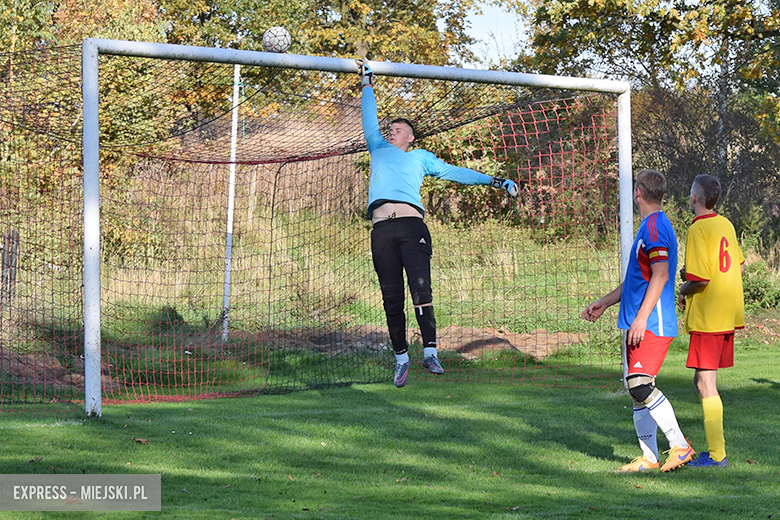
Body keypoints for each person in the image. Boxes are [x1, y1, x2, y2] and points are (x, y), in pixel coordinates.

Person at [357, 60, 518, 388]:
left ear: (411, 137)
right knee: (391, 296)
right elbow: (369, 118)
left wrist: (494, 181)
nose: (392, 131)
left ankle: (430, 351)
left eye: (398, 129)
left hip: (411, 227)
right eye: (391, 128)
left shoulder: (421, 158)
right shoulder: (378, 147)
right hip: (382, 231)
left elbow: (457, 172)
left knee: (421, 290)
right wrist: (367, 84)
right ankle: (401, 358)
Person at [582, 169, 695, 472]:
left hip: (652, 322)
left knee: (640, 385)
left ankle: (681, 446)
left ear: (638, 193)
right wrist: (604, 303)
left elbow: (660, 274)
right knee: (637, 392)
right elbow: (636, 281)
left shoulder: (656, 227)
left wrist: (642, 317)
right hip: (639, 321)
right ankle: (650, 458)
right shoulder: (648, 226)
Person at [678, 174, 744, 468]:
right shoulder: (725, 223)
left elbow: (701, 279)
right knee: (702, 381)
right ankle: (714, 451)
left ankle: (717, 455)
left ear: (694, 198)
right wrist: (689, 275)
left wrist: (683, 287)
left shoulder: (698, 229)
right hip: (726, 314)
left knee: (706, 383)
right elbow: (737, 265)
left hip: (709, 318)